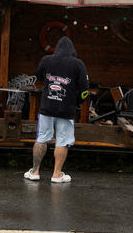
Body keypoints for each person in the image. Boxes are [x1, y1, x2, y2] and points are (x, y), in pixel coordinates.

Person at [24, 35, 89, 184]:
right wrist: (77, 102)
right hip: (66, 110)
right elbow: (85, 90)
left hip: (47, 107)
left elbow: (38, 75)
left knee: (41, 138)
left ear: (57, 49)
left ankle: (34, 172)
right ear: (72, 50)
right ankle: (57, 174)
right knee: (62, 141)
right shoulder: (78, 64)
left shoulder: (47, 60)